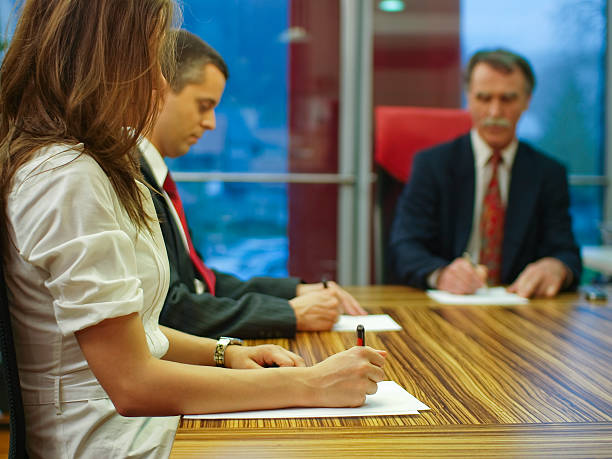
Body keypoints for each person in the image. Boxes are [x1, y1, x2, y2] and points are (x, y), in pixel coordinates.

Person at [0, 2, 385, 457]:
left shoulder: (95, 164)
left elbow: (137, 331)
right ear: (108, 59)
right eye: (153, 59)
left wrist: (226, 354)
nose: (162, 82)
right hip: (115, 442)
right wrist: (309, 382)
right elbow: (132, 383)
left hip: (143, 429)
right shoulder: (66, 176)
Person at [140, 29, 366, 339]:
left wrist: (294, 292)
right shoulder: (134, 179)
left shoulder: (157, 177)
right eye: (203, 105)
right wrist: (287, 314)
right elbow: (170, 310)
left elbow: (202, 282)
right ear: (159, 89)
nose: (211, 123)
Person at [389, 48, 582, 298]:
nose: (494, 112)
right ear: (468, 98)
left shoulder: (548, 173)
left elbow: (566, 252)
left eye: (507, 99)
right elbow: (404, 247)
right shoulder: (433, 165)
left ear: (527, 101)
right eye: (483, 98)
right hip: (444, 310)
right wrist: (441, 274)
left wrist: (556, 267)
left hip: (521, 314)